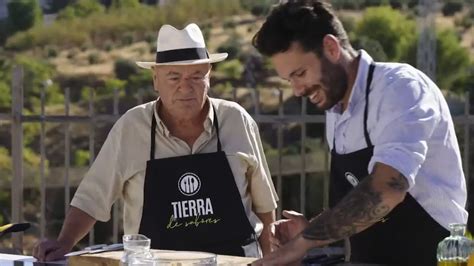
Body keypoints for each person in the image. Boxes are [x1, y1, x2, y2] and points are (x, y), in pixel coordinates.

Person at [33, 23, 278, 261]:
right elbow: (92, 198)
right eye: (174, 77)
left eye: (196, 76)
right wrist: (63, 242)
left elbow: (265, 206)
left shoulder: (235, 120)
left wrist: (273, 260)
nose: (186, 87)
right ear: (155, 80)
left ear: (209, 77)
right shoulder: (132, 127)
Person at [251, 0, 468, 265]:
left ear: (331, 48)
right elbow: (358, 201)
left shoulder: (399, 88)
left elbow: (388, 188)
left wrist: (302, 243)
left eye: (301, 73)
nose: (297, 90)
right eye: (290, 80)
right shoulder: (335, 108)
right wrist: (310, 229)